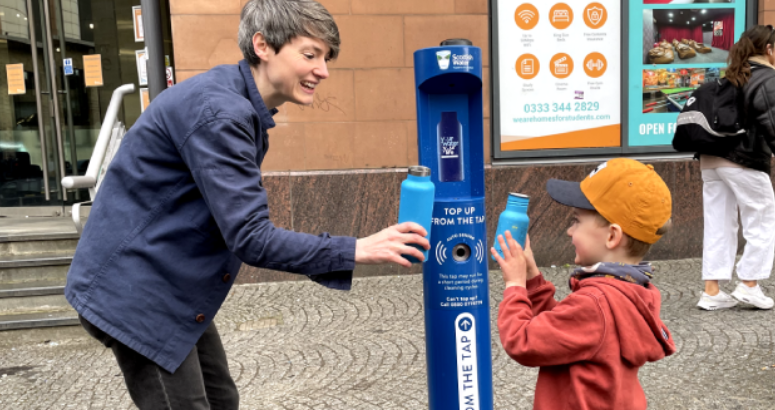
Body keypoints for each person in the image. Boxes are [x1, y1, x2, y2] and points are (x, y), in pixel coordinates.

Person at [64, 1, 429, 409]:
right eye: (310, 54)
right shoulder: (220, 113)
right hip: (136, 293)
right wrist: (357, 248)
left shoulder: (235, 103)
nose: (323, 70)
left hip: (170, 286)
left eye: (326, 58)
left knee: (222, 400)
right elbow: (252, 237)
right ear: (263, 45)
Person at [492, 158, 676, 410]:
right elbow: (563, 331)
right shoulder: (630, 290)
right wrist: (532, 279)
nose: (569, 231)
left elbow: (523, 341)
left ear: (612, 236)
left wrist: (514, 285)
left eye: (576, 221)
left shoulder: (595, 303)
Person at [696, 25, 775, 311]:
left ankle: (711, 291)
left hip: (711, 159)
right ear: (768, 50)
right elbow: (771, 120)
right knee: (761, 218)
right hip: (744, 159)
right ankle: (749, 284)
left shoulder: (729, 78)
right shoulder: (766, 77)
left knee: (718, 224)